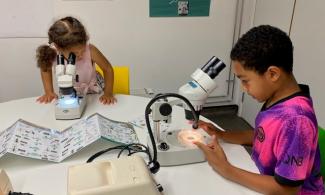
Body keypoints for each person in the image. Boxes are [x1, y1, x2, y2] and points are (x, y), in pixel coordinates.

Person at [194, 25, 324, 194]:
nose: (243, 88)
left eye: (245, 80)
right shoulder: (276, 99)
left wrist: (226, 169)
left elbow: (287, 190)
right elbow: (263, 136)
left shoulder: (296, 121)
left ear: (272, 74)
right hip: (261, 178)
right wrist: (222, 135)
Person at [36, 16, 116, 105]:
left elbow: (108, 69)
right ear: (59, 48)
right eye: (75, 53)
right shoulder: (52, 52)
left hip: (93, 91)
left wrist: (108, 93)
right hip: (68, 92)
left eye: (82, 50)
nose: (81, 55)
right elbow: (45, 69)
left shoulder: (91, 50)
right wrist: (49, 91)